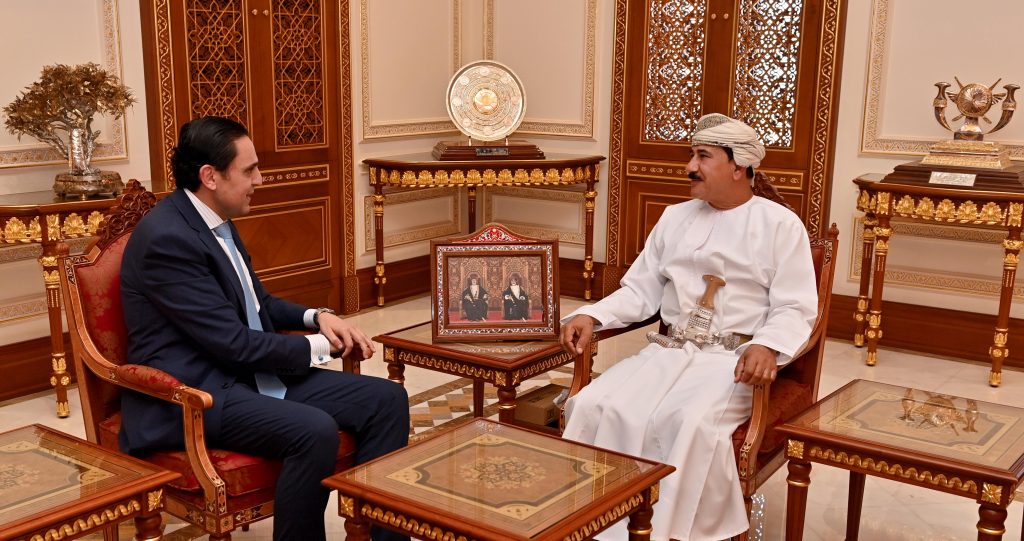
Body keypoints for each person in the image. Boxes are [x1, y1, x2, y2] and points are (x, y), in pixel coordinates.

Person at [119, 116, 410, 541]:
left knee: (387, 400)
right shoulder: (167, 239)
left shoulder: (215, 219)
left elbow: (260, 305)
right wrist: (322, 347)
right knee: (313, 430)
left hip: (244, 375)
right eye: (250, 170)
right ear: (210, 177)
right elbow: (235, 344)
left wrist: (318, 317)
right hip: (196, 392)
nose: (260, 179)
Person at [559, 113, 817, 541]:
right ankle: (595, 524)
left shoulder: (780, 225)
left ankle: (669, 533)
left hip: (731, 363)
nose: (690, 167)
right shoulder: (674, 217)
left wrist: (768, 346)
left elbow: (795, 306)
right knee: (594, 404)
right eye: (692, 155)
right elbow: (640, 289)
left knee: (689, 422)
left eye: (703, 156)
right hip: (667, 352)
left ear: (739, 166)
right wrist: (593, 315)